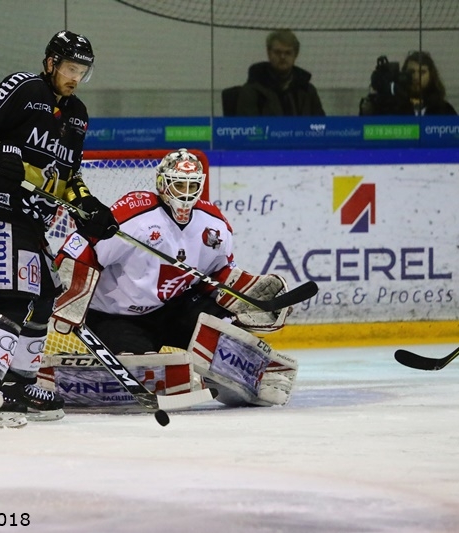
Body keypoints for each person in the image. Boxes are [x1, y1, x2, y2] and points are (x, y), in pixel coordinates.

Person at [0, 30, 119, 427]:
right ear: (51, 64)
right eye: (70, 68)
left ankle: (18, 387)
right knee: (15, 296)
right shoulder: (24, 87)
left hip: (33, 219)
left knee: (43, 297)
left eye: (82, 70)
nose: (75, 77)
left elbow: (68, 174)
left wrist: (87, 205)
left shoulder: (77, 114)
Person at [50, 149, 298, 409]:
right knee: (139, 366)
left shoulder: (214, 224)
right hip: (116, 316)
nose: (185, 192)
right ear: (162, 184)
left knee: (220, 325)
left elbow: (214, 276)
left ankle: (252, 377)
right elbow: (85, 248)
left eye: (192, 185)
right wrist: (71, 297)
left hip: (172, 308)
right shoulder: (136, 216)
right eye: (179, 184)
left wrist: (245, 294)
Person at [233, 29, 325, 116]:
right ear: (269, 53)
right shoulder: (252, 91)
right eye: (277, 52)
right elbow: (248, 128)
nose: (282, 57)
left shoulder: (307, 91)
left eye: (288, 53)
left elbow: (323, 127)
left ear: (295, 55)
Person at [360, 50, 457, 116]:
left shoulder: (444, 110)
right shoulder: (390, 107)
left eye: (422, 72)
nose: (416, 77)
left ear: (431, 76)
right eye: (411, 72)